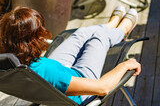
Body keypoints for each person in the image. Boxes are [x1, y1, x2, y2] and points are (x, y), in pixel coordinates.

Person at [0, 6, 141, 105]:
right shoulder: (46, 72)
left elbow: (48, 72)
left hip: (53, 70)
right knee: (99, 38)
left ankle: (111, 24)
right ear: (33, 40)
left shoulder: (9, 59)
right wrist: (125, 65)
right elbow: (102, 88)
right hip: (80, 82)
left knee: (81, 33)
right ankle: (122, 30)